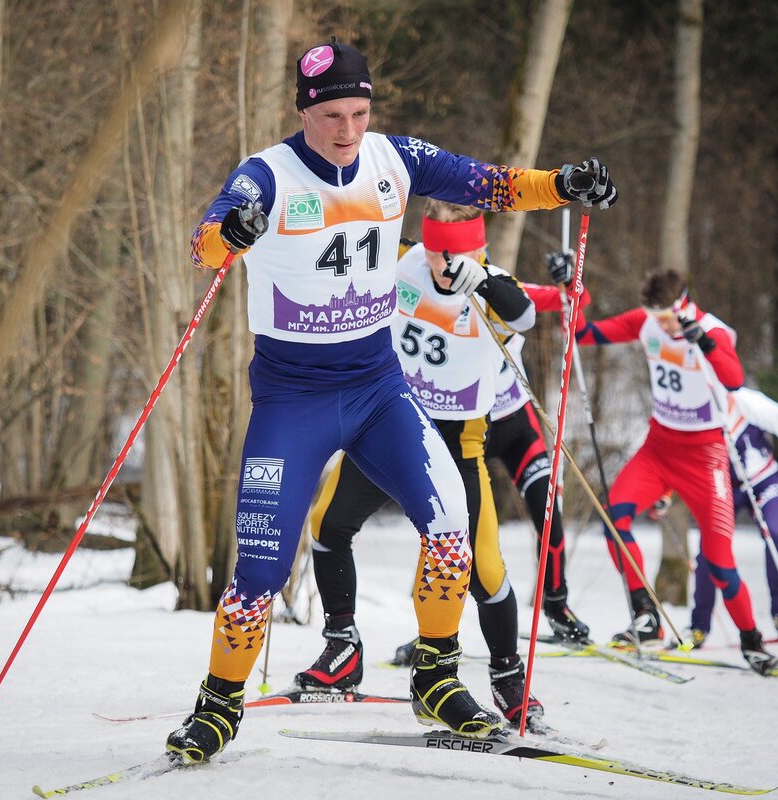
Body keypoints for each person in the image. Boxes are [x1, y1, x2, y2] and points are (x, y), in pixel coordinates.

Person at [167, 38, 618, 764]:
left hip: (378, 390)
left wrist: (563, 184)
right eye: (333, 115)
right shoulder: (268, 174)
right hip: (294, 399)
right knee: (259, 570)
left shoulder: (395, 157)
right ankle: (218, 704)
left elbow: (494, 184)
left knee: (452, 528)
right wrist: (230, 235)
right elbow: (206, 245)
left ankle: (437, 676)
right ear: (304, 112)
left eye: (360, 111)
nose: (348, 130)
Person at [296, 199, 546, 727]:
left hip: (459, 440)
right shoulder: (403, 258)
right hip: (390, 423)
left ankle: (507, 677)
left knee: (483, 568)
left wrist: (479, 281)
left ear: (477, 246)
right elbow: (335, 261)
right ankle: (342, 647)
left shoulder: (493, 287)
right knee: (326, 524)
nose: (443, 263)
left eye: (455, 252)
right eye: (437, 250)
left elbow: (527, 316)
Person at [542, 261, 778, 676]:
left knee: (721, 563)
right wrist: (571, 290)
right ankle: (646, 617)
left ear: (684, 304)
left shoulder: (714, 330)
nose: (662, 327)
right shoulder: (647, 322)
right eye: (656, 319)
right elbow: (581, 334)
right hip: (658, 447)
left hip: (705, 456)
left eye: (668, 318)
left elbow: (734, 379)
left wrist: (703, 343)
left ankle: (752, 642)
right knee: (615, 519)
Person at [652, 386, 778, 647]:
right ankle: (698, 626)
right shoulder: (691, 408)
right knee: (710, 550)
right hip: (722, 487)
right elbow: (680, 454)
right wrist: (665, 493)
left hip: (763, 479)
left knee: (777, 533)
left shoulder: (746, 401)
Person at [483, 256, 595, 644]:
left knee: (549, 514)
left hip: (517, 425)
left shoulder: (509, 290)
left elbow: (573, 299)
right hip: (470, 428)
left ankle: (557, 605)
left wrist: (568, 278)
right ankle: (434, 628)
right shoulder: (445, 298)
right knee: (457, 530)